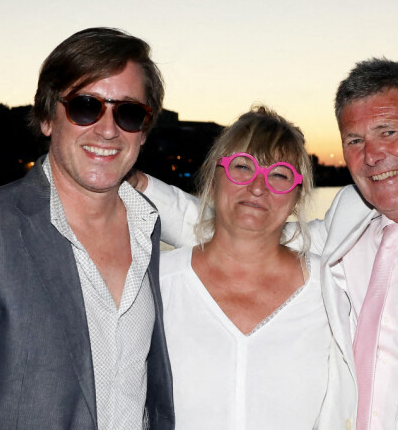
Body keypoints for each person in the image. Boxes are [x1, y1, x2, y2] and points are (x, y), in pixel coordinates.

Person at [0, 27, 175, 429]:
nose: (108, 129)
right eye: (86, 106)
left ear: (144, 131)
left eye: (129, 112)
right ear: (48, 117)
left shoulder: (148, 230)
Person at [146, 57, 398, 430]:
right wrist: (133, 185)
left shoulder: (321, 283)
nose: (373, 154)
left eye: (388, 131)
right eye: (355, 140)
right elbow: (249, 231)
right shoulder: (351, 218)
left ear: (297, 193)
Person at [158, 106, 332, 429]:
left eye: (279, 175)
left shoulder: (330, 290)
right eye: (242, 167)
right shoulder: (156, 284)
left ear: (297, 196)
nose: (257, 187)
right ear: (214, 177)